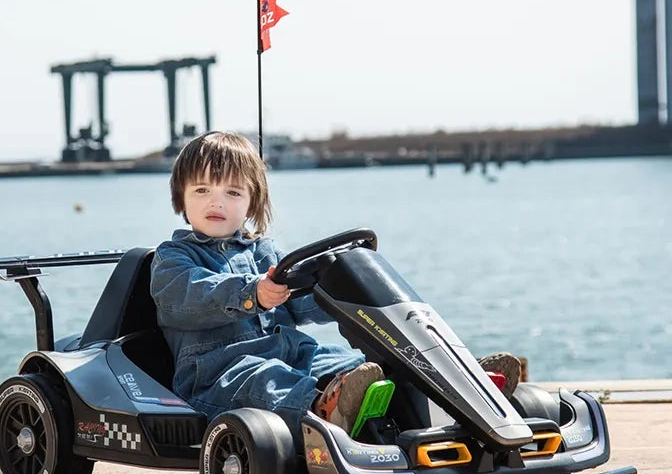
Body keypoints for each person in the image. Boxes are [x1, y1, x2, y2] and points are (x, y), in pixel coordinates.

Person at [150, 131, 521, 445]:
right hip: (219, 372)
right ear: (181, 198)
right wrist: (252, 292)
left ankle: (456, 392)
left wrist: (339, 287)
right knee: (266, 381)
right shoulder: (173, 258)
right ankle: (322, 411)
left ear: (251, 204)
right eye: (202, 190)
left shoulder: (263, 251)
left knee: (357, 363)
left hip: (289, 352)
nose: (216, 202)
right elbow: (188, 295)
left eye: (232, 193)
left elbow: (299, 303)